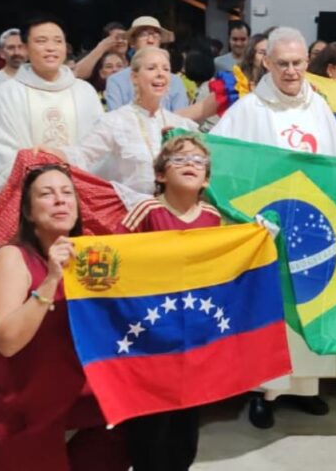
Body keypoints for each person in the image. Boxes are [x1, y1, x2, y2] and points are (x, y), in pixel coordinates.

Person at [210, 26, 336, 428]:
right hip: (269, 227)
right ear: (266, 63)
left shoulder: (318, 106)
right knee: (271, 308)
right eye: (282, 64)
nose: (291, 71)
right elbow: (220, 157)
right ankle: (263, 391)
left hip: (313, 226)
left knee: (311, 302)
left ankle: (306, 388)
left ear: (307, 62)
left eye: (297, 63)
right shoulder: (248, 110)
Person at [0, 164, 129, 470]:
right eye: (47, 194)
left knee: (127, 433)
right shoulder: (13, 258)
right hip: (13, 410)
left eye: (67, 193)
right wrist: (50, 280)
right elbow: (7, 342)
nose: (60, 200)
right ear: (28, 212)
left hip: (68, 398)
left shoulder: (90, 257)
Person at [0, 15, 103, 267]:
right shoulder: (8, 93)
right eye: (41, 41)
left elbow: (98, 148)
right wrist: (46, 182)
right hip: (27, 202)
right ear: (25, 48)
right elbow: (2, 151)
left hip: (80, 199)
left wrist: (71, 180)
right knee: (28, 272)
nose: (51, 47)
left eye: (57, 41)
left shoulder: (84, 92)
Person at [116, 135, 218, 471]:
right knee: (150, 428)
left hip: (192, 342)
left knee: (185, 430)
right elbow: (116, 255)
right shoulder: (147, 210)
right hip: (150, 337)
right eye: (179, 159)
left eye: (198, 161)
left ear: (206, 179)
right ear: (161, 175)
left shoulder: (212, 218)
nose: (190, 164)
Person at [47, 47, 198, 201]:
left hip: (176, 209)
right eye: (151, 68)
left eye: (166, 69)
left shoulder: (181, 125)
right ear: (134, 77)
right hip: (133, 209)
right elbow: (82, 155)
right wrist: (50, 153)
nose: (160, 73)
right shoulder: (116, 121)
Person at [105, 16, 187, 112]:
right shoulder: (116, 81)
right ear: (132, 42)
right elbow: (115, 117)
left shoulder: (175, 81)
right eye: (144, 35)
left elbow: (181, 117)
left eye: (155, 36)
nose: (150, 40)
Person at [0, 28, 27, 103]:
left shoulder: (39, 80)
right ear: (1, 53)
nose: (16, 52)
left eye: (21, 47)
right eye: (11, 48)